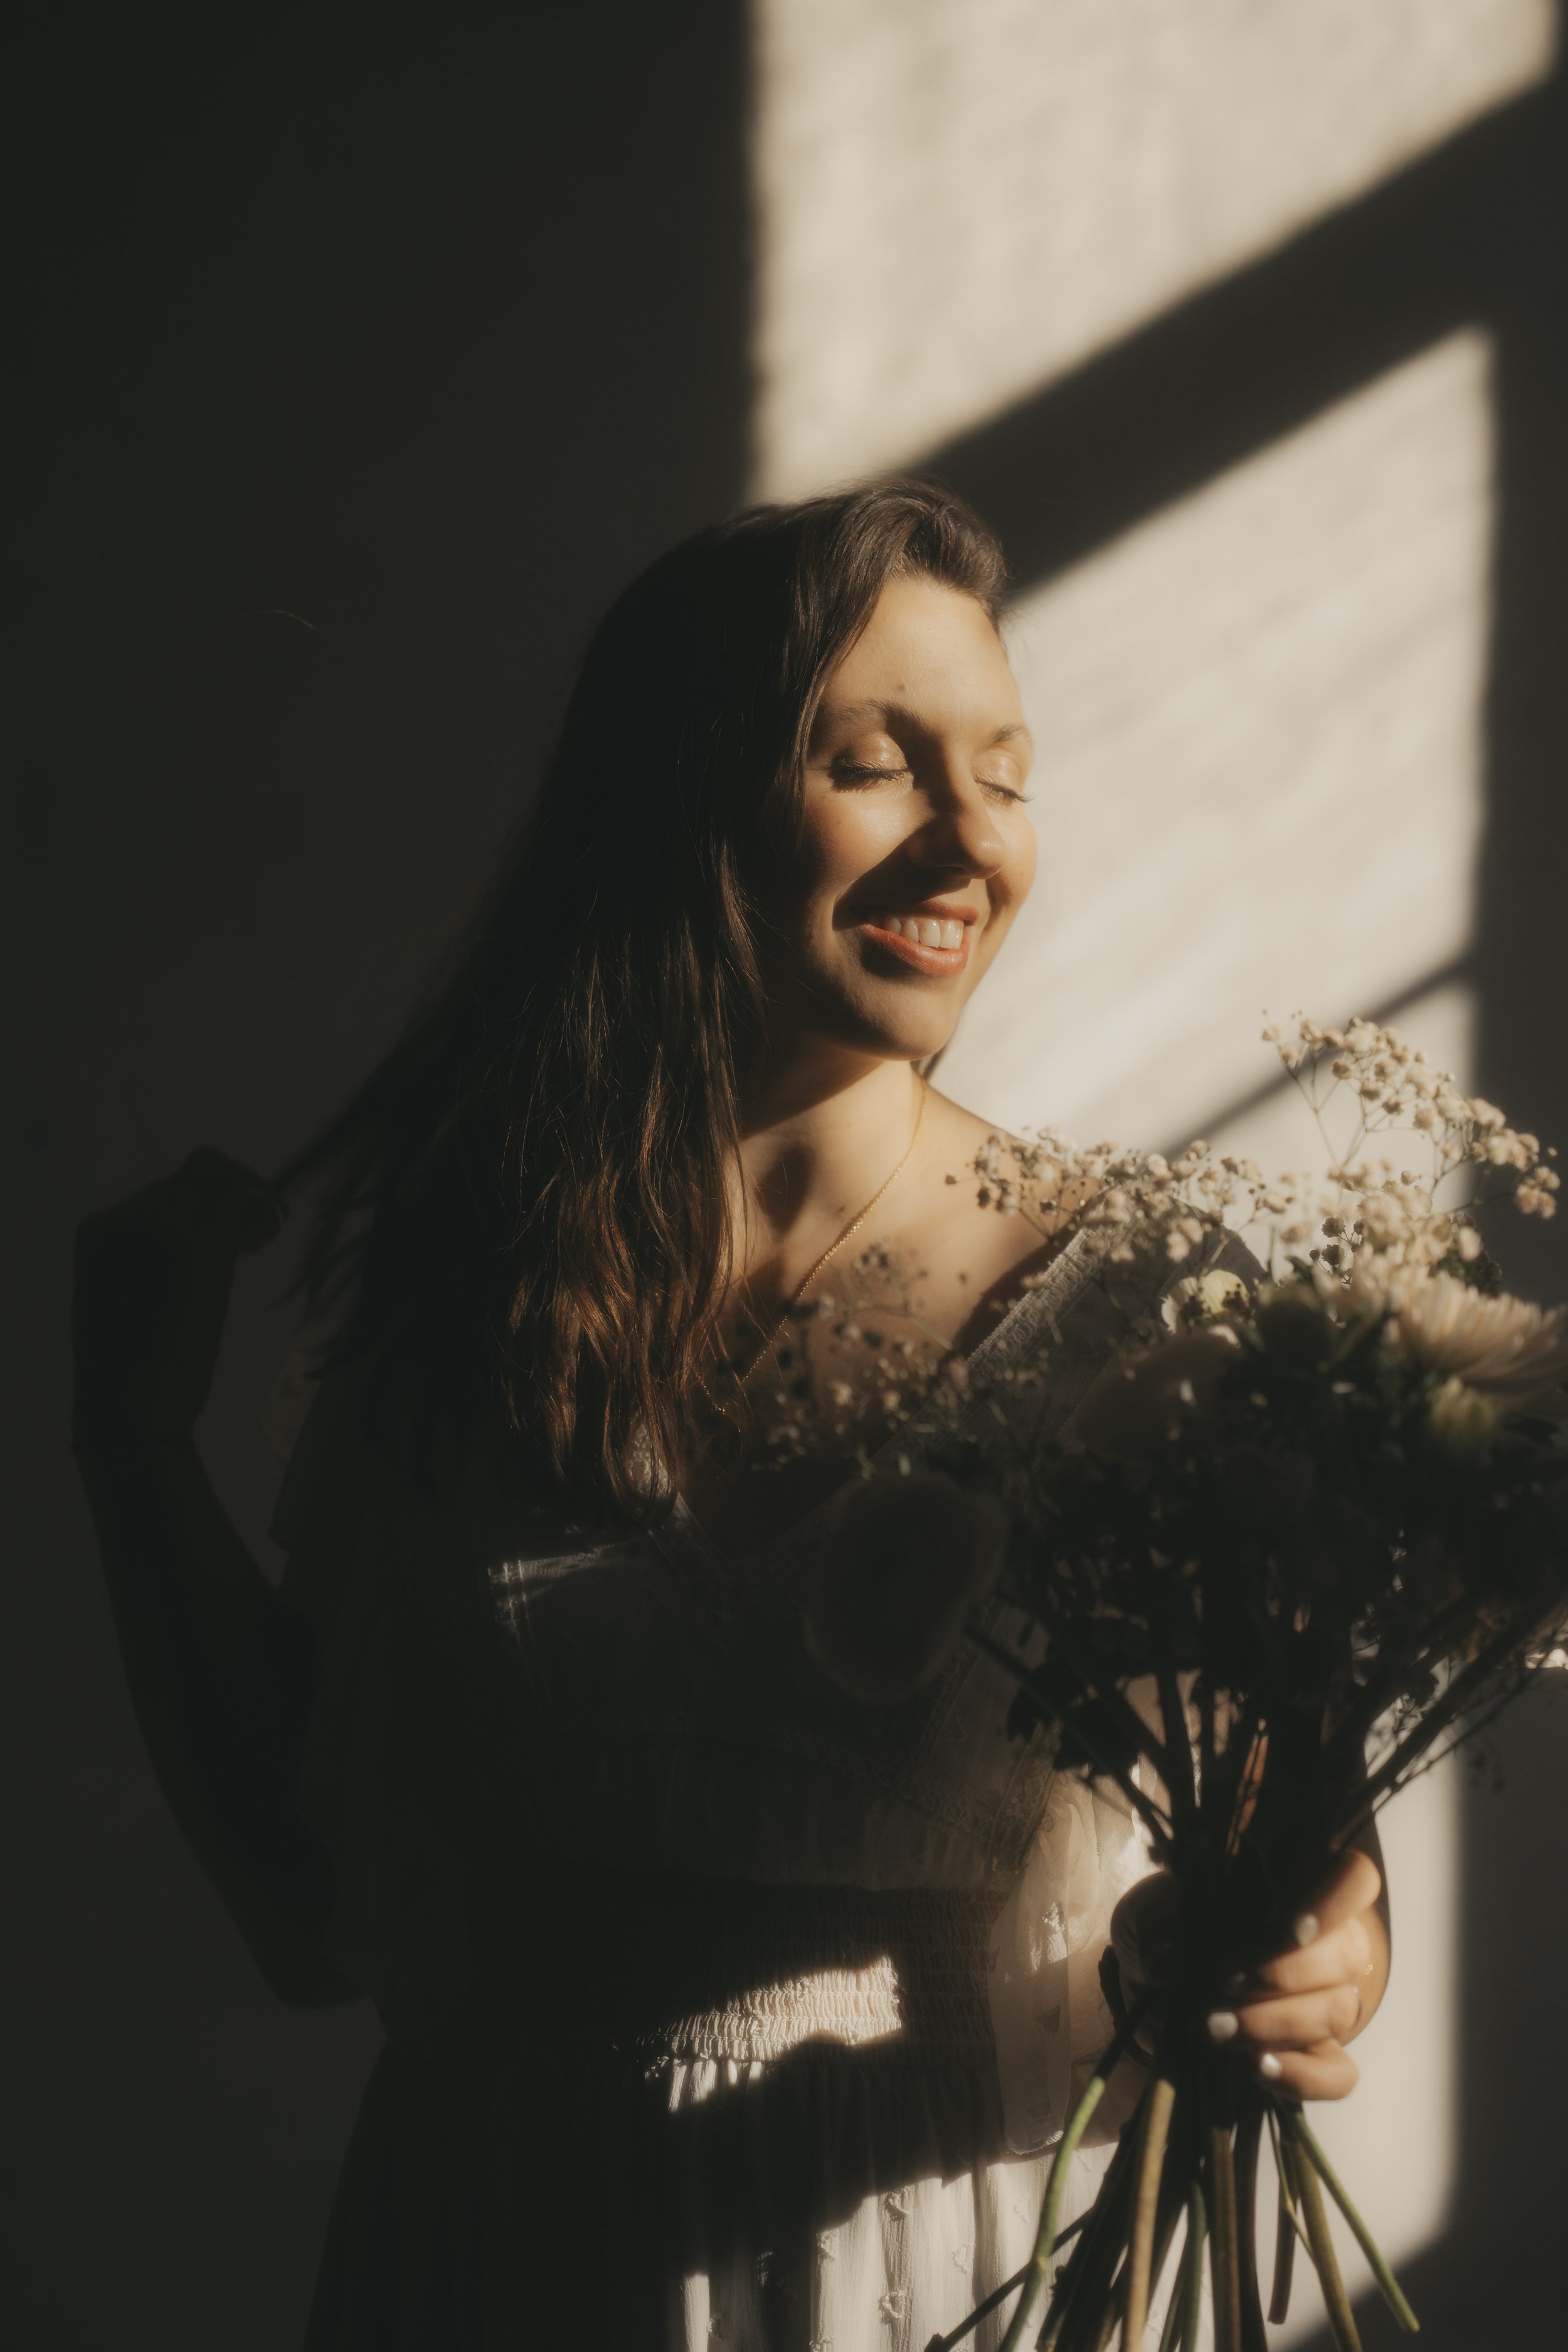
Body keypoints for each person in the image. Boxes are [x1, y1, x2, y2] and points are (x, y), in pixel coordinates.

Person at [73, 480, 1388, 2350]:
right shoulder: (471, 1276)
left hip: (930, 2254)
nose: (965, 843)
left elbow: (1286, 1855)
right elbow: (307, 1905)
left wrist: (1333, 1943)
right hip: (508, 2242)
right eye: (875, 762)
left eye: (1002, 775)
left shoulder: (1138, 1306)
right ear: (680, 800)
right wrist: (127, 1450)